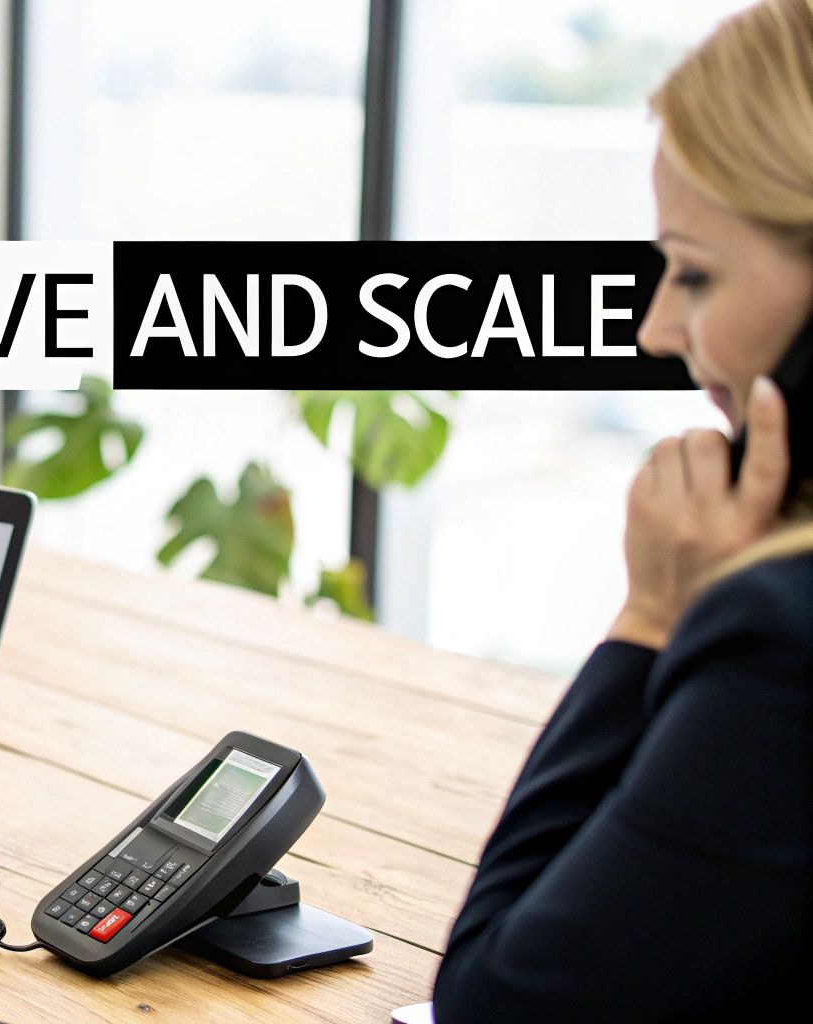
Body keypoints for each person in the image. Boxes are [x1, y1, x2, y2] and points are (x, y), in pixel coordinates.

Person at [432, 1, 813, 1019]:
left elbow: (492, 1000)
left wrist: (648, 618)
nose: (651, 329)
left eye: (692, 272)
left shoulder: (780, 641)